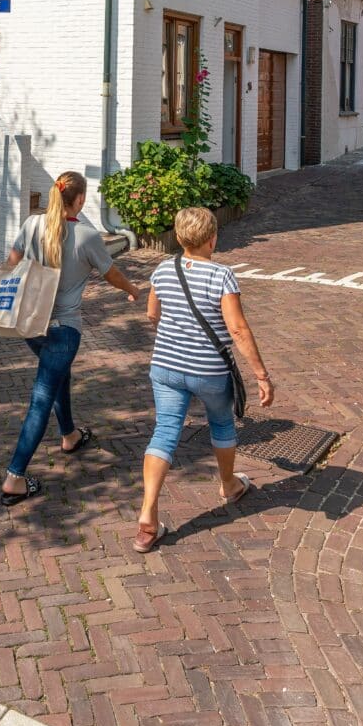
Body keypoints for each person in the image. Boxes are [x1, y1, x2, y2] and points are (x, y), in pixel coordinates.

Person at [133, 205, 275, 552]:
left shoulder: (163, 270)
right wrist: (261, 375)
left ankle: (148, 515)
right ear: (212, 238)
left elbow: (153, 314)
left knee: (165, 432)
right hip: (208, 369)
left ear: (180, 238)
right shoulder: (222, 275)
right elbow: (237, 329)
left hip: (166, 366)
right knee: (222, 424)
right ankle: (228, 485)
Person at [0, 171, 142, 505]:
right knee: (42, 395)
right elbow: (112, 273)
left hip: (31, 324)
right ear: (79, 199)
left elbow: (12, 264)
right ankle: (14, 477)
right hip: (64, 328)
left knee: (58, 375)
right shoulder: (86, 236)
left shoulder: (32, 224)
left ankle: (70, 435)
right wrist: (133, 290)